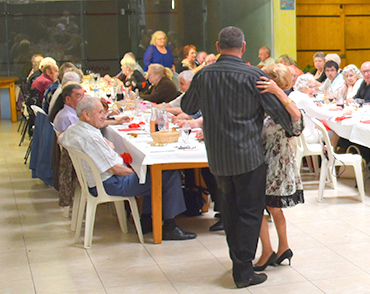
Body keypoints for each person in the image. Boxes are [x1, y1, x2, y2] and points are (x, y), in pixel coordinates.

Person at [180, 26, 296, 288]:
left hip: (218, 157)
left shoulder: (203, 75)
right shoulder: (253, 75)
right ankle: (243, 270)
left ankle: (238, 262)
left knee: (229, 212)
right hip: (248, 156)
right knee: (251, 213)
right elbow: (282, 117)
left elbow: (187, 108)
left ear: (218, 47)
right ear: (243, 47)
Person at [58, 97, 196, 240]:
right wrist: (138, 171)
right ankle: (169, 226)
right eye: (100, 112)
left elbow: (60, 138)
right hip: (111, 184)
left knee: (151, 171)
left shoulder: (73, 130)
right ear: (86, 114)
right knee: (167, 175)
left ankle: (147, 220)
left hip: (95, 182)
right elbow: (116, 169)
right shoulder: (90, 137)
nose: (104, 116)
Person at [253, 64, 304, 271]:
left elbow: (297, 117)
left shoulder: (284, 103)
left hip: (276, 163)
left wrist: (276, 91)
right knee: (272, 208)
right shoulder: (267, 104)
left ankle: (268, 251)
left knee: (261, 208)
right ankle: (282, 247)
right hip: (270, 160)